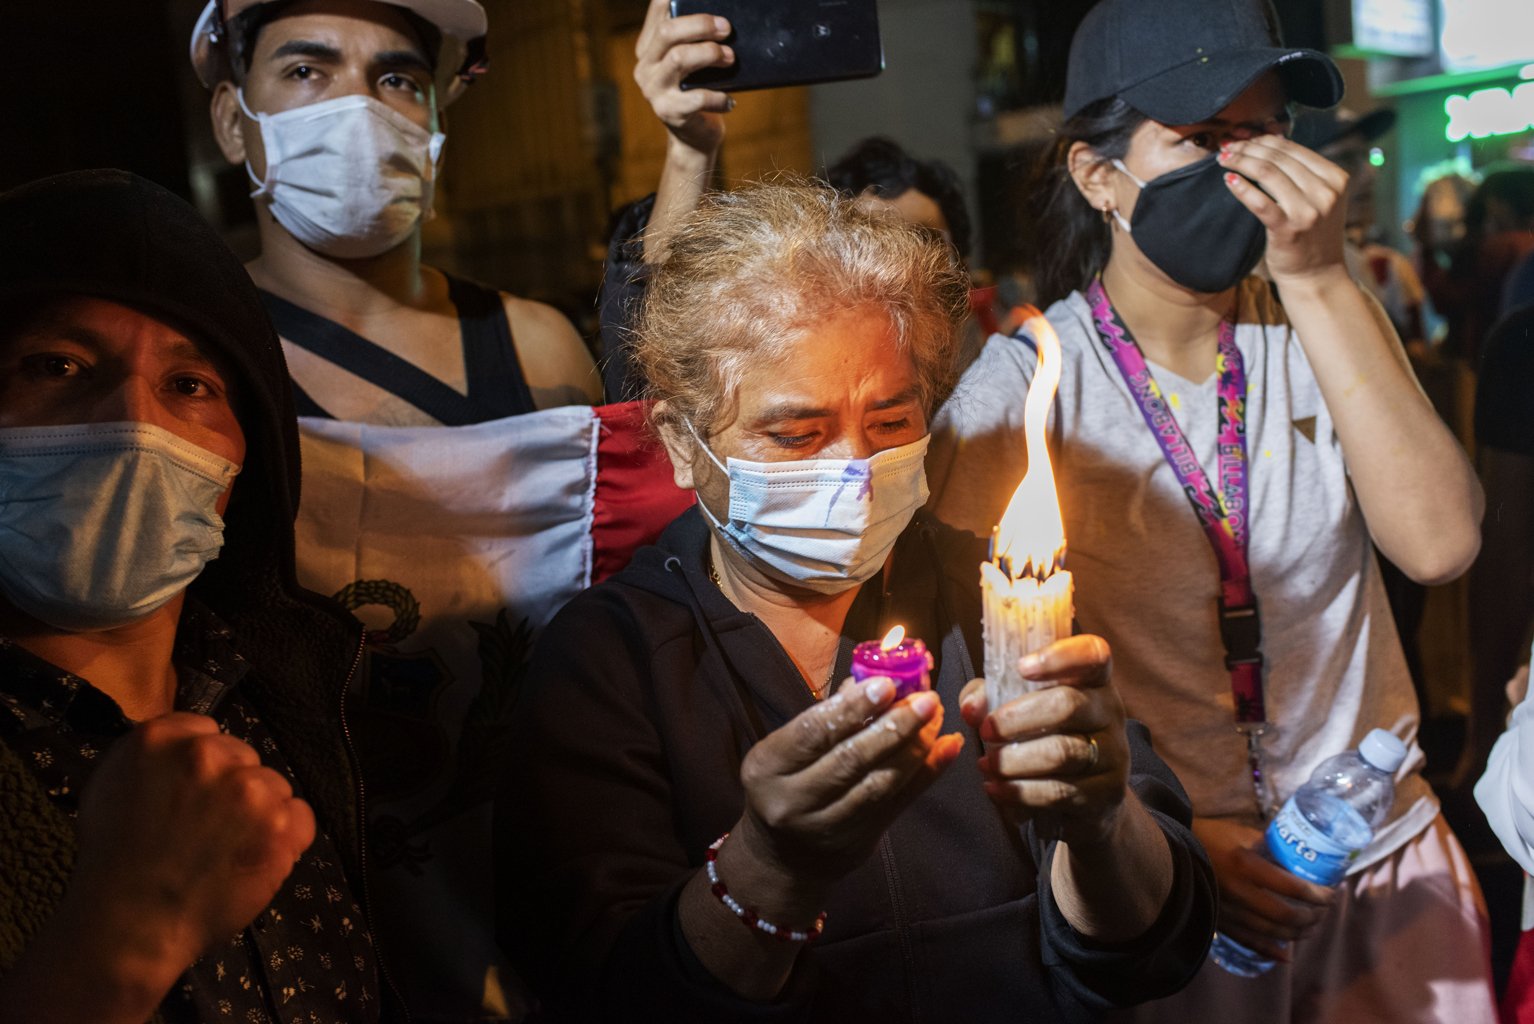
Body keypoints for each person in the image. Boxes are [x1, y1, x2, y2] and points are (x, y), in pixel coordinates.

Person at [494, 181, 1217, 1021]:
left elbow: (1152, 948)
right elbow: (602, 987)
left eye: (889, 421)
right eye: (795, 434)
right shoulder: (610, 664)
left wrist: (1097, 823)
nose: (853, 472)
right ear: (680, 445)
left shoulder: (1000, 606)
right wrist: (768, 865)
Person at [926, 0, 1495, 1020]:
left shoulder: (1320, 324)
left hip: (1381, 859)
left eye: (1265, 133)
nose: (1246, 169)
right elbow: (997, 674)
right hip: (1181, 887)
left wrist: (1318, 280)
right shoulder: (1029, 384)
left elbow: (1441, 544)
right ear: (1099, 176)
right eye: (1201, 139)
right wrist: (1171, 838)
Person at [189, 2, 604, 1017]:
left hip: (545, 890)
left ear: (434, 116)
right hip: (306, 924)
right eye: (306, 70)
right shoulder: (191, 366)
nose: (358, 110)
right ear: (234, 121)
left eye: (395, 78)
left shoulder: (539, 348)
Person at [0, 170, 388, 1021]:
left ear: (243, 463)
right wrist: (124, 937)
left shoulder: (295, 704)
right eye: (55, 364)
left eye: (190, 385)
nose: (134, 421)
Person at [598, 0, 985, 400]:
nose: (897, 289)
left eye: (927, 250)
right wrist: (688, 149)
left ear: (966, 271)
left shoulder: (1008, 386)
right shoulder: (787, 395)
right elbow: (664, 355)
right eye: (865, 256)